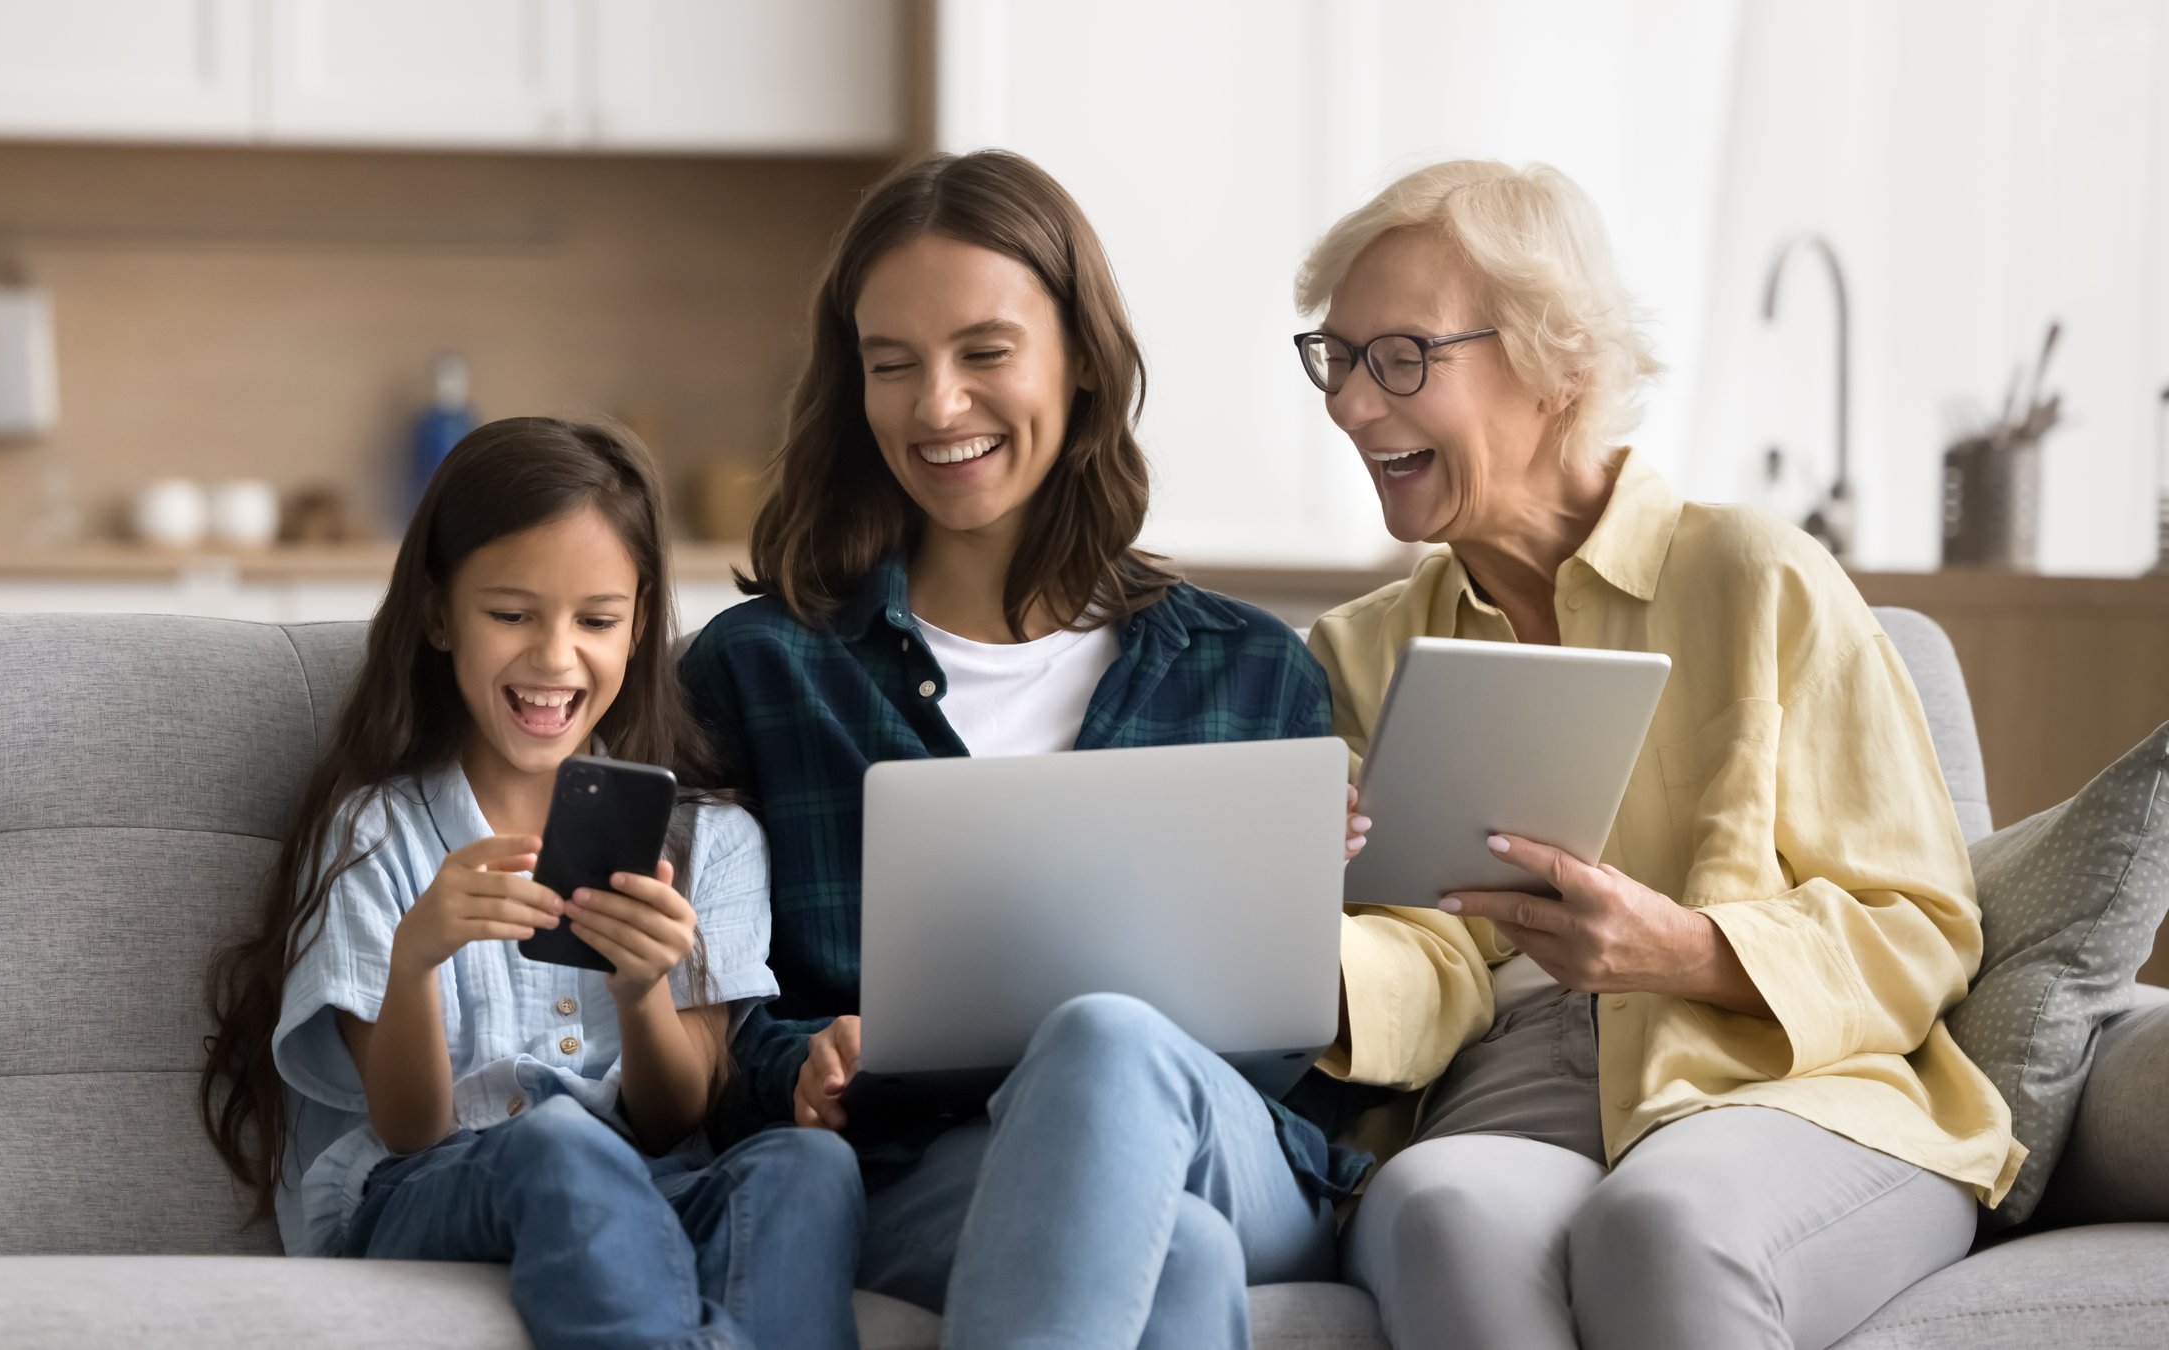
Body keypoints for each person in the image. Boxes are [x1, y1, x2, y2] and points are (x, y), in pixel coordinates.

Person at [1293, 160, 2023, 1350]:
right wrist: (1287, 918)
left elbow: (1923, 924)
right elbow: (1423, 960)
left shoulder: (1753, 576)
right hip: (1515, 1090)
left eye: (1402, 359)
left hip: (1779, 1087)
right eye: (1337, 358)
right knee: (1434, 1203)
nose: (1352, 407)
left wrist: (1684, 947)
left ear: (1558, 364)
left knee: (1666, 1222)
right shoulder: (1359, 653)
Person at [680, 150, 1372, 1348]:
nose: (936, 405)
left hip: (1224, 1145)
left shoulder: (1251, 671)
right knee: (1177, 1261)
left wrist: (1320, 888)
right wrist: (802, 1055)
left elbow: (1289, 1045)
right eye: (890, 365)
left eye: (983, 353)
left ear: (1084, 359)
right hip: (917, 1172)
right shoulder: (758, 670)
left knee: (1106, 1044)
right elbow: (701, 1022)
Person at [200, 416, 864, 1350]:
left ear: (638, 627)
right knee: (559, 1144)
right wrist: (417, 958)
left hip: (649, 1179)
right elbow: (411, 1129)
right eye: (511, 615)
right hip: (431, 1188)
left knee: (809, 1166)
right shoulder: (376, 832)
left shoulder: (710, 839)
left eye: (596, 621)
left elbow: (677, 1119)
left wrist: (643, 994)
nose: (555, 658)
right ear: (438, 616)